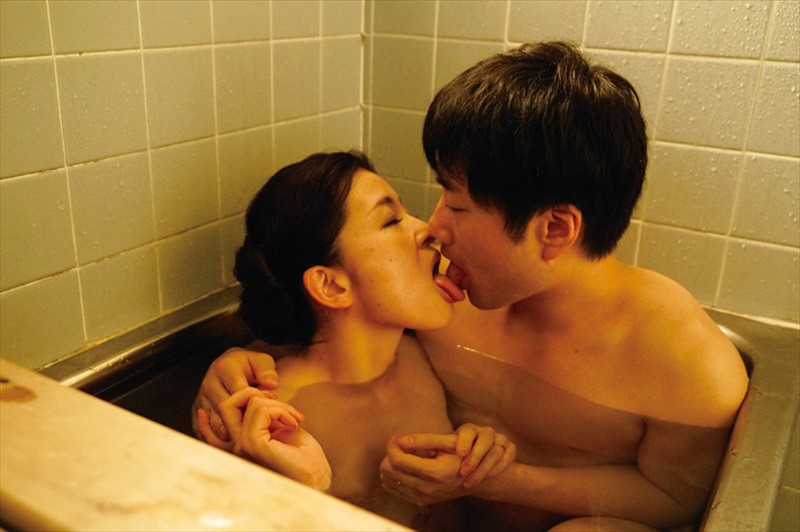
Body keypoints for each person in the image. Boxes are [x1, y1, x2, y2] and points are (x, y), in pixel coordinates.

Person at [193, 42, 748, 530]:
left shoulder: (684, 359)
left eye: (457, 205)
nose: (434, 227)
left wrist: (505, 481)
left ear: (555, 229)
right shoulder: (444, 297)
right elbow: (331, 329)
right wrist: (240, 363)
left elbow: (676, 499)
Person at [193, 151, 516, 529]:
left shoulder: (421, 353)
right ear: (331, 285)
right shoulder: (275, 420)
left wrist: (477, 453)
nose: (427, 228)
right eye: (391, 220)